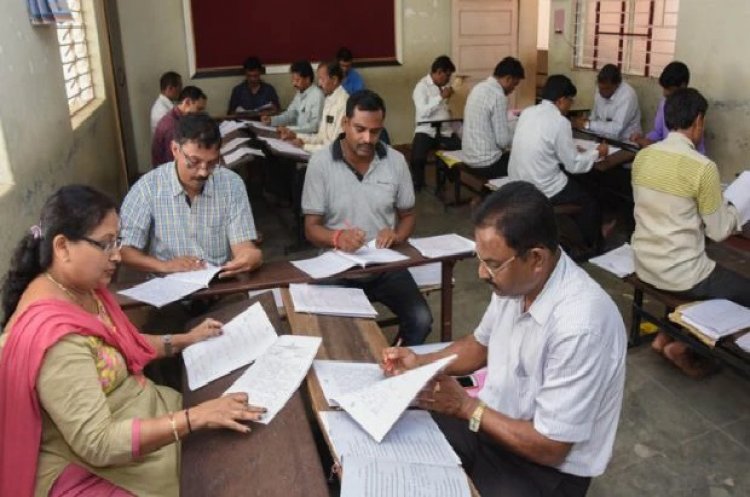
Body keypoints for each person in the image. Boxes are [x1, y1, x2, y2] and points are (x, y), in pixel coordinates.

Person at [0, 185, 266, 497]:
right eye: (105, 244)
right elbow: (99, 443)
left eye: (118, 241)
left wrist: (186, 339)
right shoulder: (56, 338)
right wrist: (195, 418)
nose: (116, 255)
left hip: (138, 415)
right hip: (98, 466)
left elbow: (121, 344)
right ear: (62, 247)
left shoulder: (82, 289)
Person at [382, 182, 626, 496]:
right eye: (480, 259)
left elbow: (552, 448)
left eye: (493, 264)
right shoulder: (515, 284)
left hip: (546, 468)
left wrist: (465, 408)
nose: (482, 273)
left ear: (536, 258)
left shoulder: (580, 326)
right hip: (491, 424)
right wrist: (422, 363)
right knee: (401, 447)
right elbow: (479, 344)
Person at [631, 87, 750, 377]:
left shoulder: (643, 157)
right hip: (681, 273)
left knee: (702, 278)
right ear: (698, 121)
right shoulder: (702, 167)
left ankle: (663, 337)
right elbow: (720, 230)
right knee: (742, 290)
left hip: (645, 263)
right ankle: (685, 347)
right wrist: (737, 209)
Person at [301, 90, 432, 345]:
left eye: (375, 131)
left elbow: (407, 215)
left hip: (385, 265)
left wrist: (397, 235)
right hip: (338, 266)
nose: (367, 138)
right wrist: (338, 237)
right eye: (360, 129)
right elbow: (311, 229)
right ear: (345, 123)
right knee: (336, 335)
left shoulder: (395, 161)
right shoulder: (320, 164)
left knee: (421, 320)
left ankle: (397, 359)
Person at [123, 113, 262, 278]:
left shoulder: (231, 184)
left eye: (211, 163)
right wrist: (165, 266)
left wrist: (249, 256)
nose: (203, 172)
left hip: (219, 287)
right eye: (194, 162)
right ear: (175, 149)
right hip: (168, 287)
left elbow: (243, 246)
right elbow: (125, 251)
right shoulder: (147, 188)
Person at [508, 75, 608, 255]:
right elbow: (574, 165)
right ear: (561, 100)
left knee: (576, 185)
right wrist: (596, 153)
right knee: (590, 201)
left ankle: (573, 233)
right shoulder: (560, 122)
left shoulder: (529, 112)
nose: (571, 105)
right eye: (571, 101)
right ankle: (592, 246)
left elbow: (541, 145)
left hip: (519, 181)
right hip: (543, 188)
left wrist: (567, 148)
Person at [462, 56, 525, 179]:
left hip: (469, 157)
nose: (514, 89)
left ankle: (481, 198)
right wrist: (521, 135)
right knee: (526, 162)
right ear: (508, 79)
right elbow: (503, 141)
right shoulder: (499, 96)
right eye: (515, 84)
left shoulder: (478, 88)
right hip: (487, 163)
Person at [410, 55, 461, 190]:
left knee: (461, 150)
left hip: (445, 130)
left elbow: (446, 109)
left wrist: (450, 99)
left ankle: (448, 173)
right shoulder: (421, 87)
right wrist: (440, 97)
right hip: (426, 129)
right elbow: (423, 112)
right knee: (417, 158)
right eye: (447, 76)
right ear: (438, 72)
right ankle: (418, 184)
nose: (448, 79)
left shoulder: (444, 86)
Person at [630, 61, 706, 153]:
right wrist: (644, 139)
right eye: (664, 88)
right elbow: (658, 132)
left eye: (669, 89)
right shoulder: (664, 103)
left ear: (683, 85)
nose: (665, 93)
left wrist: (653, 145)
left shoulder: (694, 106)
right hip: (667, 154)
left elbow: (691, 145)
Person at [280, 61, 349, 153]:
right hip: (323, 154)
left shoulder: (343, 104)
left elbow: (335, 147)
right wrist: (297, 136)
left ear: (334, 80)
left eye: (322, 79)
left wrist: (305, 146)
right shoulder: (329, 99)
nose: (319, 84)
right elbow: (321, 137)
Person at [572, 64, 641, 141]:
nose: (602, 92)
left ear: (617, 85)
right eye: (600, 88)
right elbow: (594, 118)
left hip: (625, 142)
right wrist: (583, 122)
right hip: (602, 139)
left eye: (606, 89)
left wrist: (588, 124)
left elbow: (616, 129)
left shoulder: (627, 95)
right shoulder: (600, 90)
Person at [262, 60, 325, 134]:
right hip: (296, 136)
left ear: (307, 79)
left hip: (309, 139)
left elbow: (314, 126)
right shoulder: (299, 93)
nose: (294, 84)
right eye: (293, 80)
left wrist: (289, 129)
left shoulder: (317, 96)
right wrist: (272, 120)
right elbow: (290, 114)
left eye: (297, 80)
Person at [151, 85, 207, 167]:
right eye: (198, 109)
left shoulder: (176, 116)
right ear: (187, 102)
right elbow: (173, 162)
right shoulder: (172, 126)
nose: (200, 114)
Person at [150, 71, 182, 136]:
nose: (181, 90)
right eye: (180, 86)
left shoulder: (167, 104)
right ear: (170, 88)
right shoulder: (161, 110)